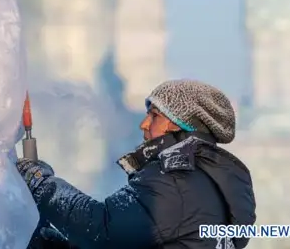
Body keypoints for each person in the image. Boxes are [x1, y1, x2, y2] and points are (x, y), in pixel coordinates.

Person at [18, 79, 257, 249]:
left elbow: (103, 231)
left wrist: (40, 183)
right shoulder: (202, 181)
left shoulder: (178, 180)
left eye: (154, 116)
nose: (144, 124)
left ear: (177, 124)